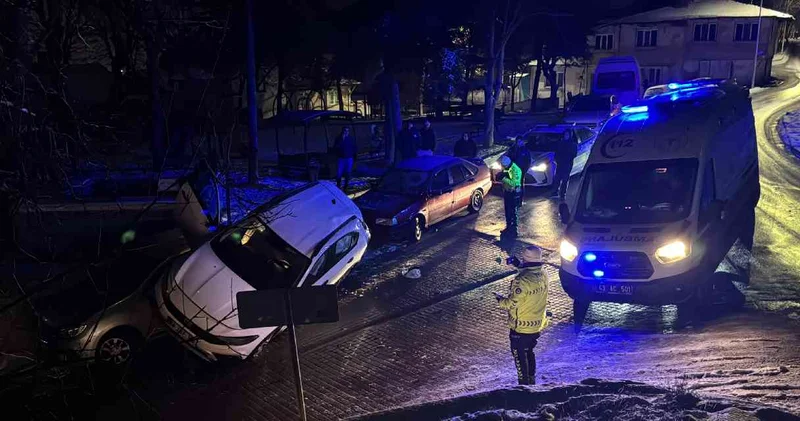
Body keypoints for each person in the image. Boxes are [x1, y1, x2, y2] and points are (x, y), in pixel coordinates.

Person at [494, 245, 549, 385]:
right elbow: (530, 273)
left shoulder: (521, 281)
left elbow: (512, 303)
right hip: (536, 325)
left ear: (526, 260)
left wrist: (500, 300)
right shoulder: (543, 274)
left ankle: (524, 386)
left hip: (521, 327)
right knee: (529, 351)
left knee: (519, 356)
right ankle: (532, 380)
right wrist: (519, 265)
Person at [497, 155, 522, 238]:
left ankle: (514, 230)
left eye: (503, 166)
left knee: (513, 211)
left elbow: (514, 183)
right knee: (507, 210)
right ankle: (508, 227)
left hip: (514, 193)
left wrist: (503, 178)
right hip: (508, 192)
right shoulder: (507, 167)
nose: (502, 167)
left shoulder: (516, 170)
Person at [553, 129, 578, 200]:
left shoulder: (572, 144)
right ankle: (555, 192)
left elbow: (573, 154)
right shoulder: (560, 143)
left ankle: (562, 193)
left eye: (567, 135)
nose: (566, 136)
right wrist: (557, 159)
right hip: (560, 164)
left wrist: (566, 159)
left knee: (565, 179)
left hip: (567, 164)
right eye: (565, 135)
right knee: (557, 178)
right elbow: (556, 152)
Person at [507, 138, 531, 205]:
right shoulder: (513, 150)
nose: (519, 143)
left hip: (521, 171)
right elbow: (509, 158)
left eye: (520, 141)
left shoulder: (525, 151)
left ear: (523, 142)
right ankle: (513, 199)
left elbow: (528, 161)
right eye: (518, 141)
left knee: (520, 186)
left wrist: (524, 170)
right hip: (513, 171)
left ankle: (520, 201)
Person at [333, 127, 357, 191]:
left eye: (347, 131)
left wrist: (354, 156)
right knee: (339, 173)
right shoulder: (338, 138)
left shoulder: (351, 138)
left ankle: (346, 185)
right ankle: (338, 185)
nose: (346, 132)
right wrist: (342, 139)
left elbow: (354, 147)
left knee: (348, 172)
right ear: (342, 131)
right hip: (341, 159)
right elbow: (336, 147)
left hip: (349, 158)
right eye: (345, 131)